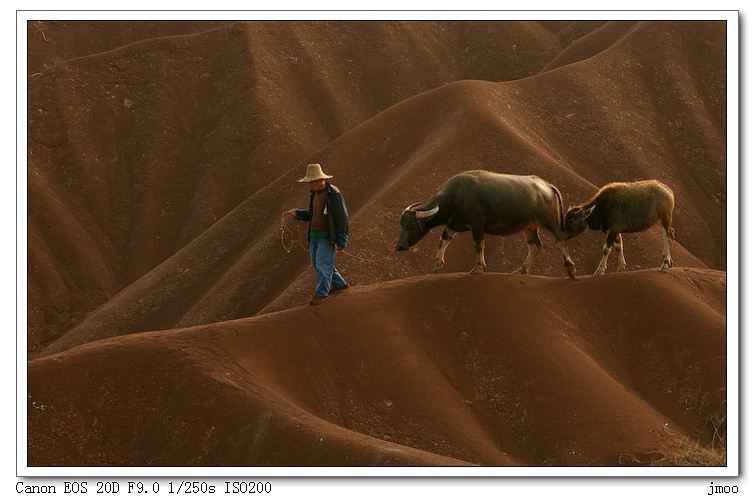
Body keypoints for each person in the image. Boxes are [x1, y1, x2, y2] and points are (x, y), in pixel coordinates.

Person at [287, 163, 350, 305]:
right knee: (317, 264)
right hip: (314, 235)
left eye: (311, 182)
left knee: (322, 263)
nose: (310, 185)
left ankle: (321, 294)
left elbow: (342, 217)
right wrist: (298, 213)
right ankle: (339, 284)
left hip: (327, 236)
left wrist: (342, 239)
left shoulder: (333, 193)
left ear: (318, 180)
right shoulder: (314, 194)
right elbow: (313, 214)